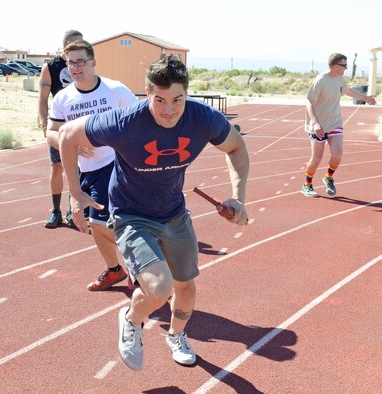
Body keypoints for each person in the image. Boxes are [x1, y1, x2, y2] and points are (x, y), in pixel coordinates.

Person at [60, 54, 250, 370]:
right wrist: (76, 192)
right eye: (159, 100)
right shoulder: (124, 122)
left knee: (186, 288)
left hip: (174, 212)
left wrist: (238, 197)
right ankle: (132, 318)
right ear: (148, 94)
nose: (169, 110)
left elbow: (236, 148)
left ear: (187, 95)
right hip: (131, 214)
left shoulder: (203, 119)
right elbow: (67, 136)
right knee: (159, 288)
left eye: (177, 100)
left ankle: (176, 336)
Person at [46, 40, 137, 291]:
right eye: (70, 63)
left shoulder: (115, 90)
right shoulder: (64, 98)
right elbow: (51, 132)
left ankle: (137, 269)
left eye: (80, 61)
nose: (75, 67)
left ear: (93, 63)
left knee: (100, 222)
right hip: (85, 169)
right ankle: (115, 270)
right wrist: (71, 144)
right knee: (96, 227)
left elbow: (140, 120)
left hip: (115, 164)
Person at [302, 53, 376, 198]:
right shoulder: (321, 80)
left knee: (337, 156)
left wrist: (365, 98)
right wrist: (316, 123)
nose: (346, 68)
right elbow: (309, 101)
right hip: (318, 126)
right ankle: (307, 184)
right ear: (335, 66)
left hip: (335, 123)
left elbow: (348, 91)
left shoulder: (340, 79)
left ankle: (328, 177)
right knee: (316, 158)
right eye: (344, 65)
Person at [38, 29, 83, 228]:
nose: (77, 49)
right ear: (64, 47)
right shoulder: (51, 67)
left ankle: (72, 210)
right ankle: (56, 211)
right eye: (73, 44)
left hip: (81, 125)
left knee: (80, 169)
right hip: (59, 126)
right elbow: (42, 97)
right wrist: (43, 123)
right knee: (57, 167)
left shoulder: (85, 63)